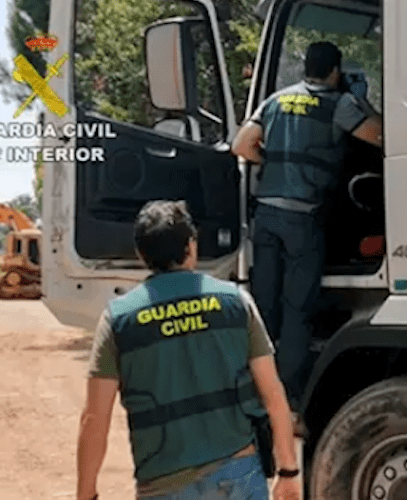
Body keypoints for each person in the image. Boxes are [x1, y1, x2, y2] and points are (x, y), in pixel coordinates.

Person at [75, 200, 301, 500]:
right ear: (191, 246)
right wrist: (288, 472)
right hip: (239, 474)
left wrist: (86, 493)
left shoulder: (119, 319)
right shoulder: (236, 302)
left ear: (141, 254)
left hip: (164, 483)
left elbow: (95, 418)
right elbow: (273, 394)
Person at [230, 41, 383, 411]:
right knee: (297, 308)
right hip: (303, 219)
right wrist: (360, 99)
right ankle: (286, 396)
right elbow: (380, 136)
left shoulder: (276, 100)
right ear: (334, 71)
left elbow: (241, 145)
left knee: (264, 307)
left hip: (266, 216)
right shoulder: (340, 104)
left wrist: (272, 161)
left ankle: (254, 392)